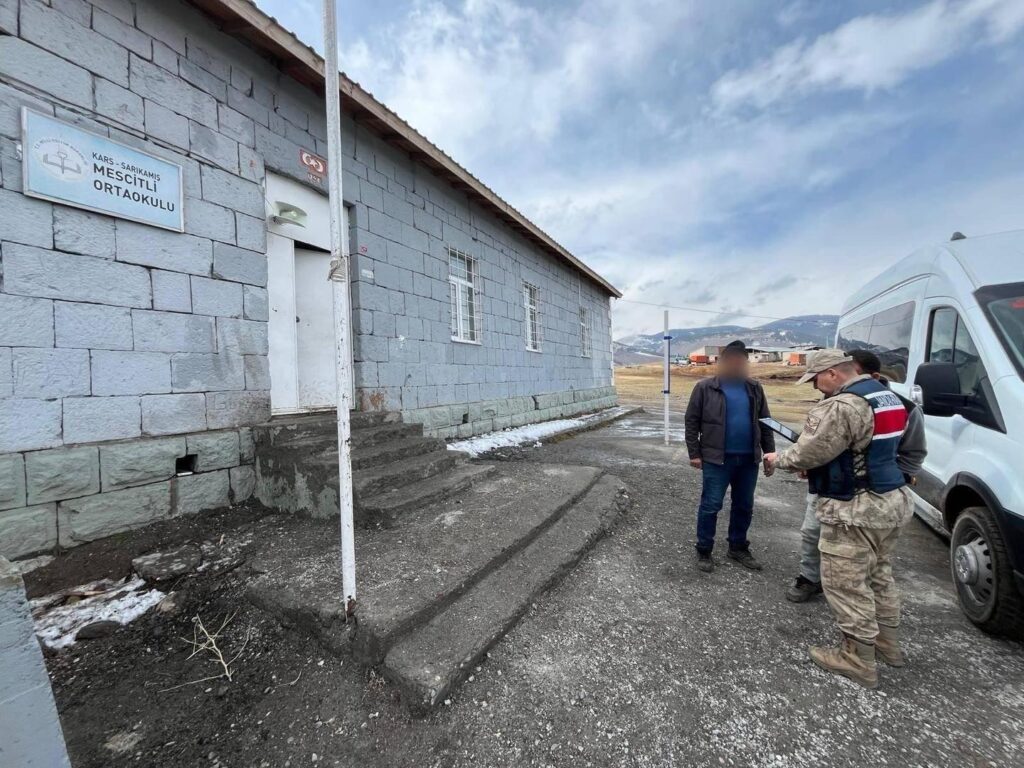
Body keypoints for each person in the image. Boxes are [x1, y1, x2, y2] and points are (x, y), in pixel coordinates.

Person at [764, 349, 915, 689]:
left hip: (855, 508)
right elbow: (863, 450)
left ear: (833, 373)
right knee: (879, 575)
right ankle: (886, 645)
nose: (816, 387)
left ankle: (857, 659)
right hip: (891, 502)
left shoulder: (842, 405)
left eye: (816, 379)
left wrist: (780, 458)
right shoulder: (887, 397)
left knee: (847, 583)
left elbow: (812, 450)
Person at [786, 349, 927, 603]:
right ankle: (811, 578)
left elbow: (912, 453)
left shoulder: (896, 406)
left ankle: (855, 623)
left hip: (860, 499)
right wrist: (814, 465)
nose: (816, 388)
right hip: (830, 488)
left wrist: (895, 478)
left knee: (851, 574)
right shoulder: (837, 399)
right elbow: (826, 447)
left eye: (816, 379)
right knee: (812, 533)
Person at [684, 340, 776, 573]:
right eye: (732, 361)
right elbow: (691, 421)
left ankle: (737, 547)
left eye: (741, 362)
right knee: (711, 505)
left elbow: (765, 422)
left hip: (748, 460)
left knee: (744, 505)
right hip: (717, 459)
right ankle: (704, 549)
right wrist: (694, 453)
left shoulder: (754, 388)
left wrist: (770, 452)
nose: (736, 365)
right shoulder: (705, 388)